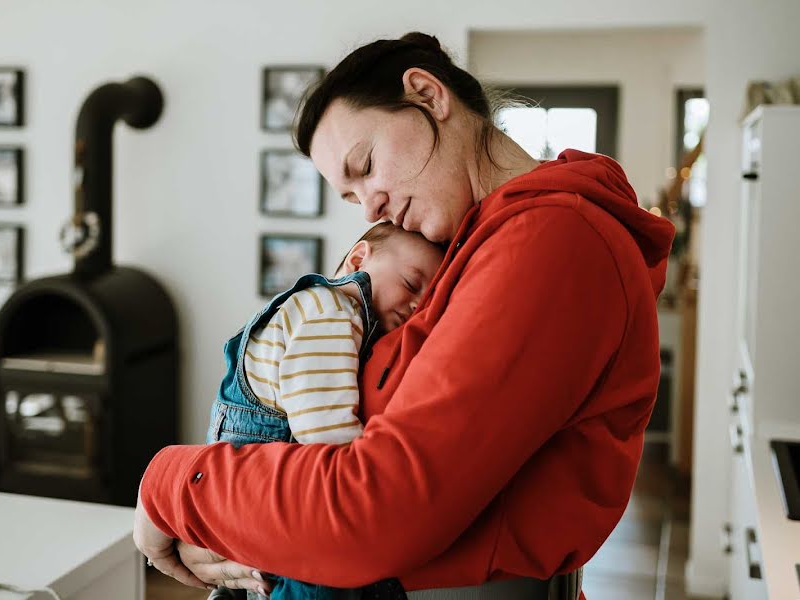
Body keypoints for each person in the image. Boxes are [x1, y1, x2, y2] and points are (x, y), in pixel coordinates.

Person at [134, 32, 675, 599]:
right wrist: (240, 523)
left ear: (426, 94)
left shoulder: (551, 241)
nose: (370, 205)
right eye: (351, 198)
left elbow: (378, 509)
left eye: (365, 165)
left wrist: (175, 485)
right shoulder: (472, 250)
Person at [206, 222, 444, 600]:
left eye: (428, 302)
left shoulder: (317, 308)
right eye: (412, 284)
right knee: (324, 572)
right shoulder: (331, 310)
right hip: (272, 474)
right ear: (358, 259)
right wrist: (367, 478)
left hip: (247, 478)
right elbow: (321, 422)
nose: (418, 305)